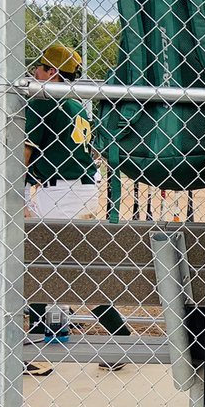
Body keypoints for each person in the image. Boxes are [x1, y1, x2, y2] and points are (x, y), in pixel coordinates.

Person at [25, 44, 126, 368]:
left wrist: (13, 192)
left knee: (57, 268)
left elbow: (22, 155)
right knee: (52, 266)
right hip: (75, 188)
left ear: (52, 72)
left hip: (62, 192)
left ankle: (119, 335)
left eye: (40, 66)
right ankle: (48, 328)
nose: (35, 71)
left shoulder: (43, 98)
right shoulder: (73, 101)